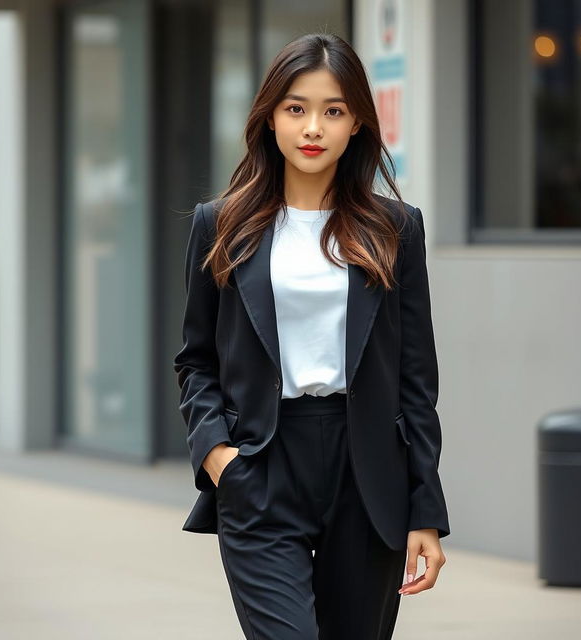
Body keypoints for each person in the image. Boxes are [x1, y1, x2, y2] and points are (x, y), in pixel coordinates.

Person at [174, 32, 450, 640]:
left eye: (333, 110)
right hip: (262, 464)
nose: (312, 127)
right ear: (270, 117)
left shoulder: (396, 228)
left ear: (356, 124)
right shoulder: (221, 225)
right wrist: (219, 457)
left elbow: (415, 381)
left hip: (368, 472)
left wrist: (425, 510)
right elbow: (196, 361)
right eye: (296, 108)